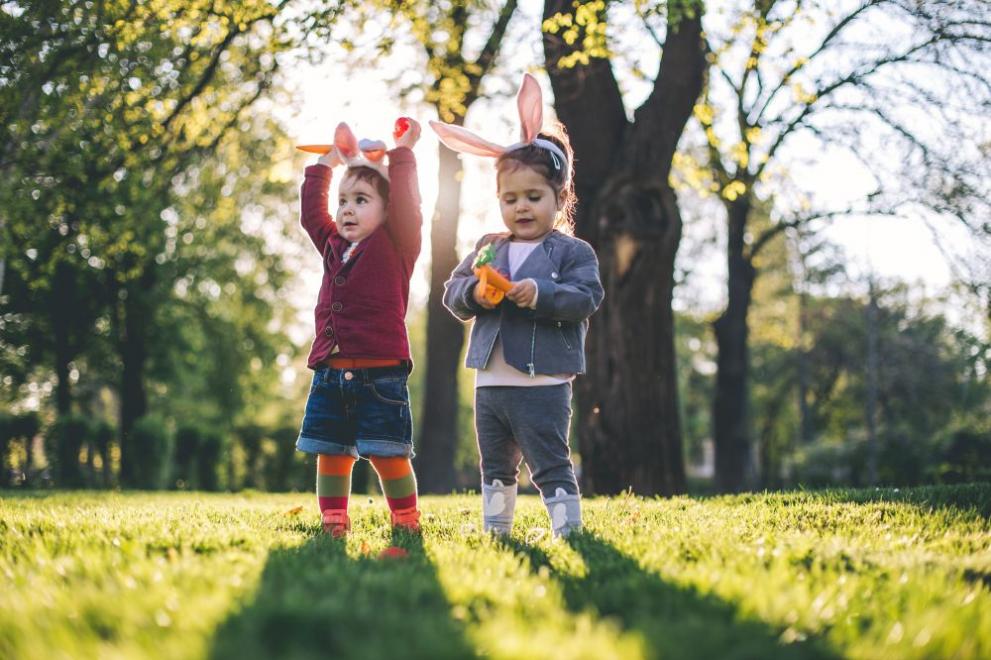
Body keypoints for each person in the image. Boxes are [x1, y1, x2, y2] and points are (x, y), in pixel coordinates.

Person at [434, 74, 604, 538]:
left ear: (559, 197)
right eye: (510, 199)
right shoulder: (490, 246)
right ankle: (498, 532)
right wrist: (474, 293)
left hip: (542, 382)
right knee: (494, 466)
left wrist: (541, 294)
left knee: (549, 461)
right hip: (490, 382)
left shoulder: (572, 252)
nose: (521, 208)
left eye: (534, 197)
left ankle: (568, 530)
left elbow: (586, 299)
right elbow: (453, 290)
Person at [295, 118, 423, 538]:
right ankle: (333, 520)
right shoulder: (333, 245)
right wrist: (325, 165)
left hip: (379, 376)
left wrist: (402, 152)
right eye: (344, 201)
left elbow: (407, 204)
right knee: (330, 452)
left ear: (387, 211)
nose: (347, 209)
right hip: (331, 373)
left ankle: (405, 518)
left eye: (362, 200)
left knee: (389, 454)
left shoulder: (397, 244)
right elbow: (312, 215)